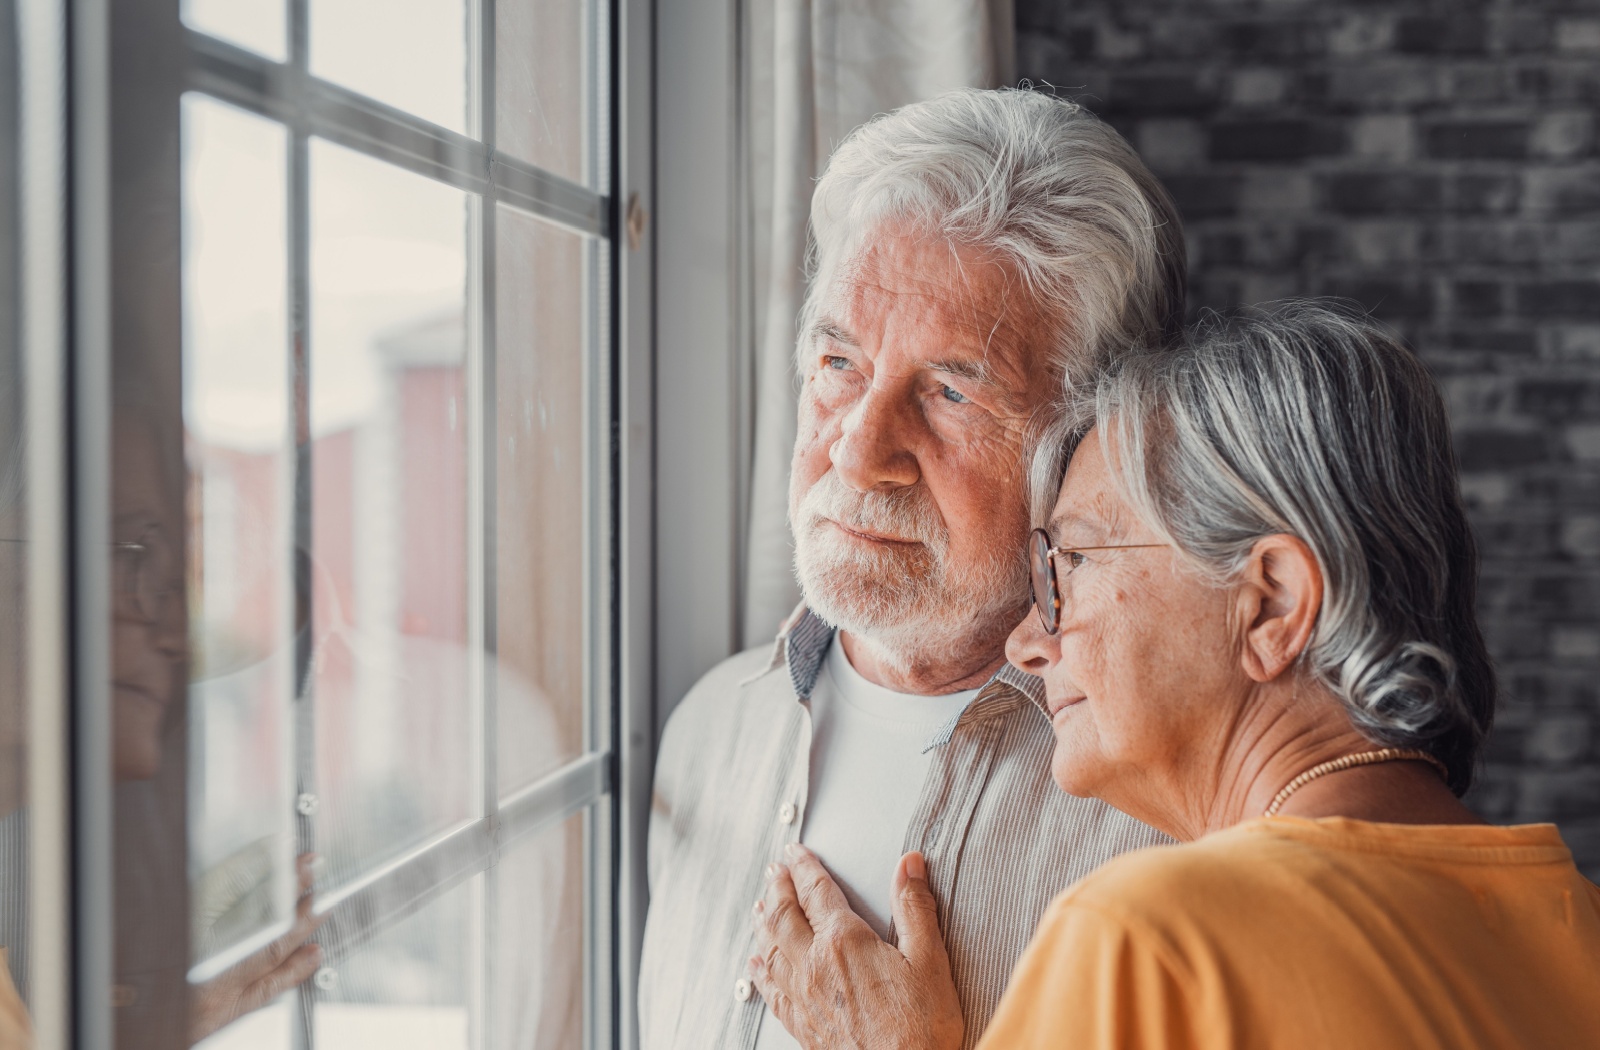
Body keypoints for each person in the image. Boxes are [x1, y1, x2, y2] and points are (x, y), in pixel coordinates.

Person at [747, 302, 1600, 1049]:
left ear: (1271, 604)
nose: (1027, 643)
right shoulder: (1577, 926)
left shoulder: (1149, 943)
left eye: (1070, 562)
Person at [640, 86, 1188, 1050]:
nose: (856, 454)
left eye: (949, 393)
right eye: (839, 363)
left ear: (1088, 445)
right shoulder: (708, 730)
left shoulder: (1175, 828)